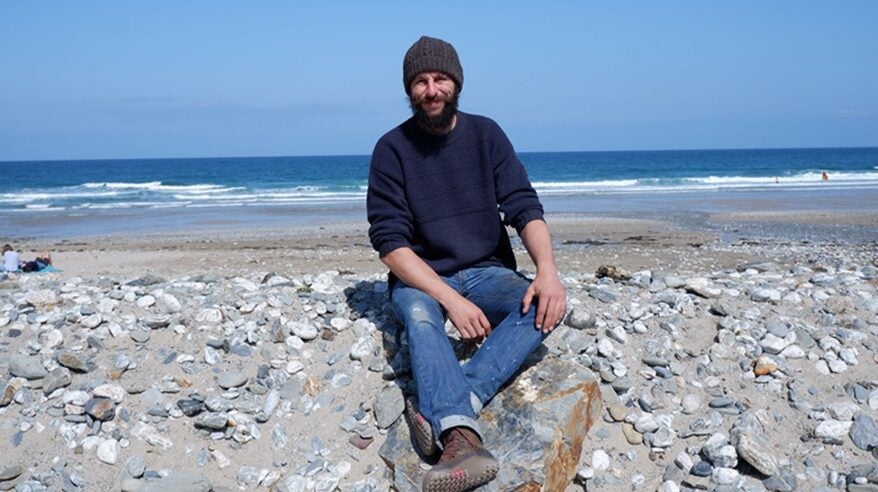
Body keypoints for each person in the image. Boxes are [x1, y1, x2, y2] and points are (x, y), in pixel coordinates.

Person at [367, 36, 566, 492]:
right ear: (409, 89)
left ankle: (453, 403)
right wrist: (451, 300)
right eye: (420, 81)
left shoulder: (485, 135)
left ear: (456, 83)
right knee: (421, 318)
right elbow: (390, 244)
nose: (431, 90)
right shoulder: (391, 149)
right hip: (421, 277)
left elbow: (523, 207)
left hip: (487, 270)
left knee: (545, 303)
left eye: (440, 79)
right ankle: (461, 440)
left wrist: (548, 272)